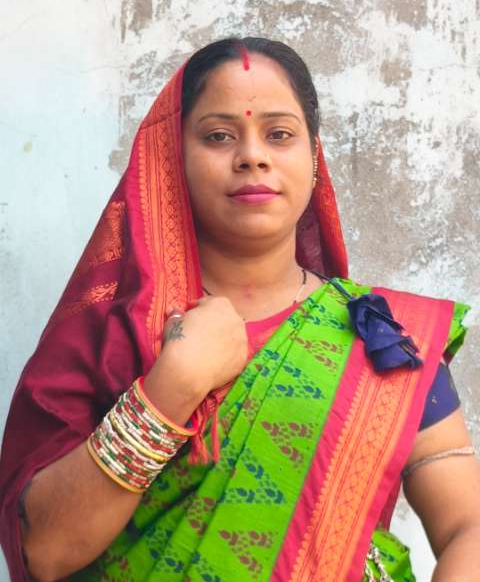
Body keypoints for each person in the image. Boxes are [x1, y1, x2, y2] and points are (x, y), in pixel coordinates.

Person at [0, 37, 479, 582]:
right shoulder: (104, 334)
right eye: (219, 136)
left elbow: (467, 526)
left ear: (314, 158)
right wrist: (172, 386)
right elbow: (45, 552)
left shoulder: (386, 338)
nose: (252, 155)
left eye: (279, 134)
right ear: (173, 160)